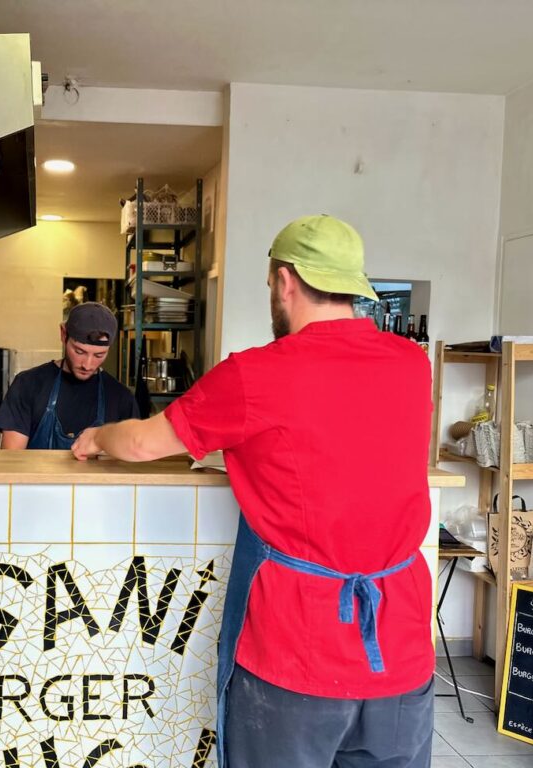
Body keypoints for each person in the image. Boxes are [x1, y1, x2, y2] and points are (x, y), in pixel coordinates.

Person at [71, 215, 434, 768]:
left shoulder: (255, 375)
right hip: (401, 651)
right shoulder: (413, 365)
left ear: (286, 280)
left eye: (269, 285)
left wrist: (98, 435)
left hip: (296, 659)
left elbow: (144, 443)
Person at [0, 302, 139, 449]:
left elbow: (130, 462)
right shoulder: (27, 385)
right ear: (63, 334)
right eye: (79, 352)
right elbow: (12, 460)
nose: (87, 365)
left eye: (99, 355)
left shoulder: (122, 398)